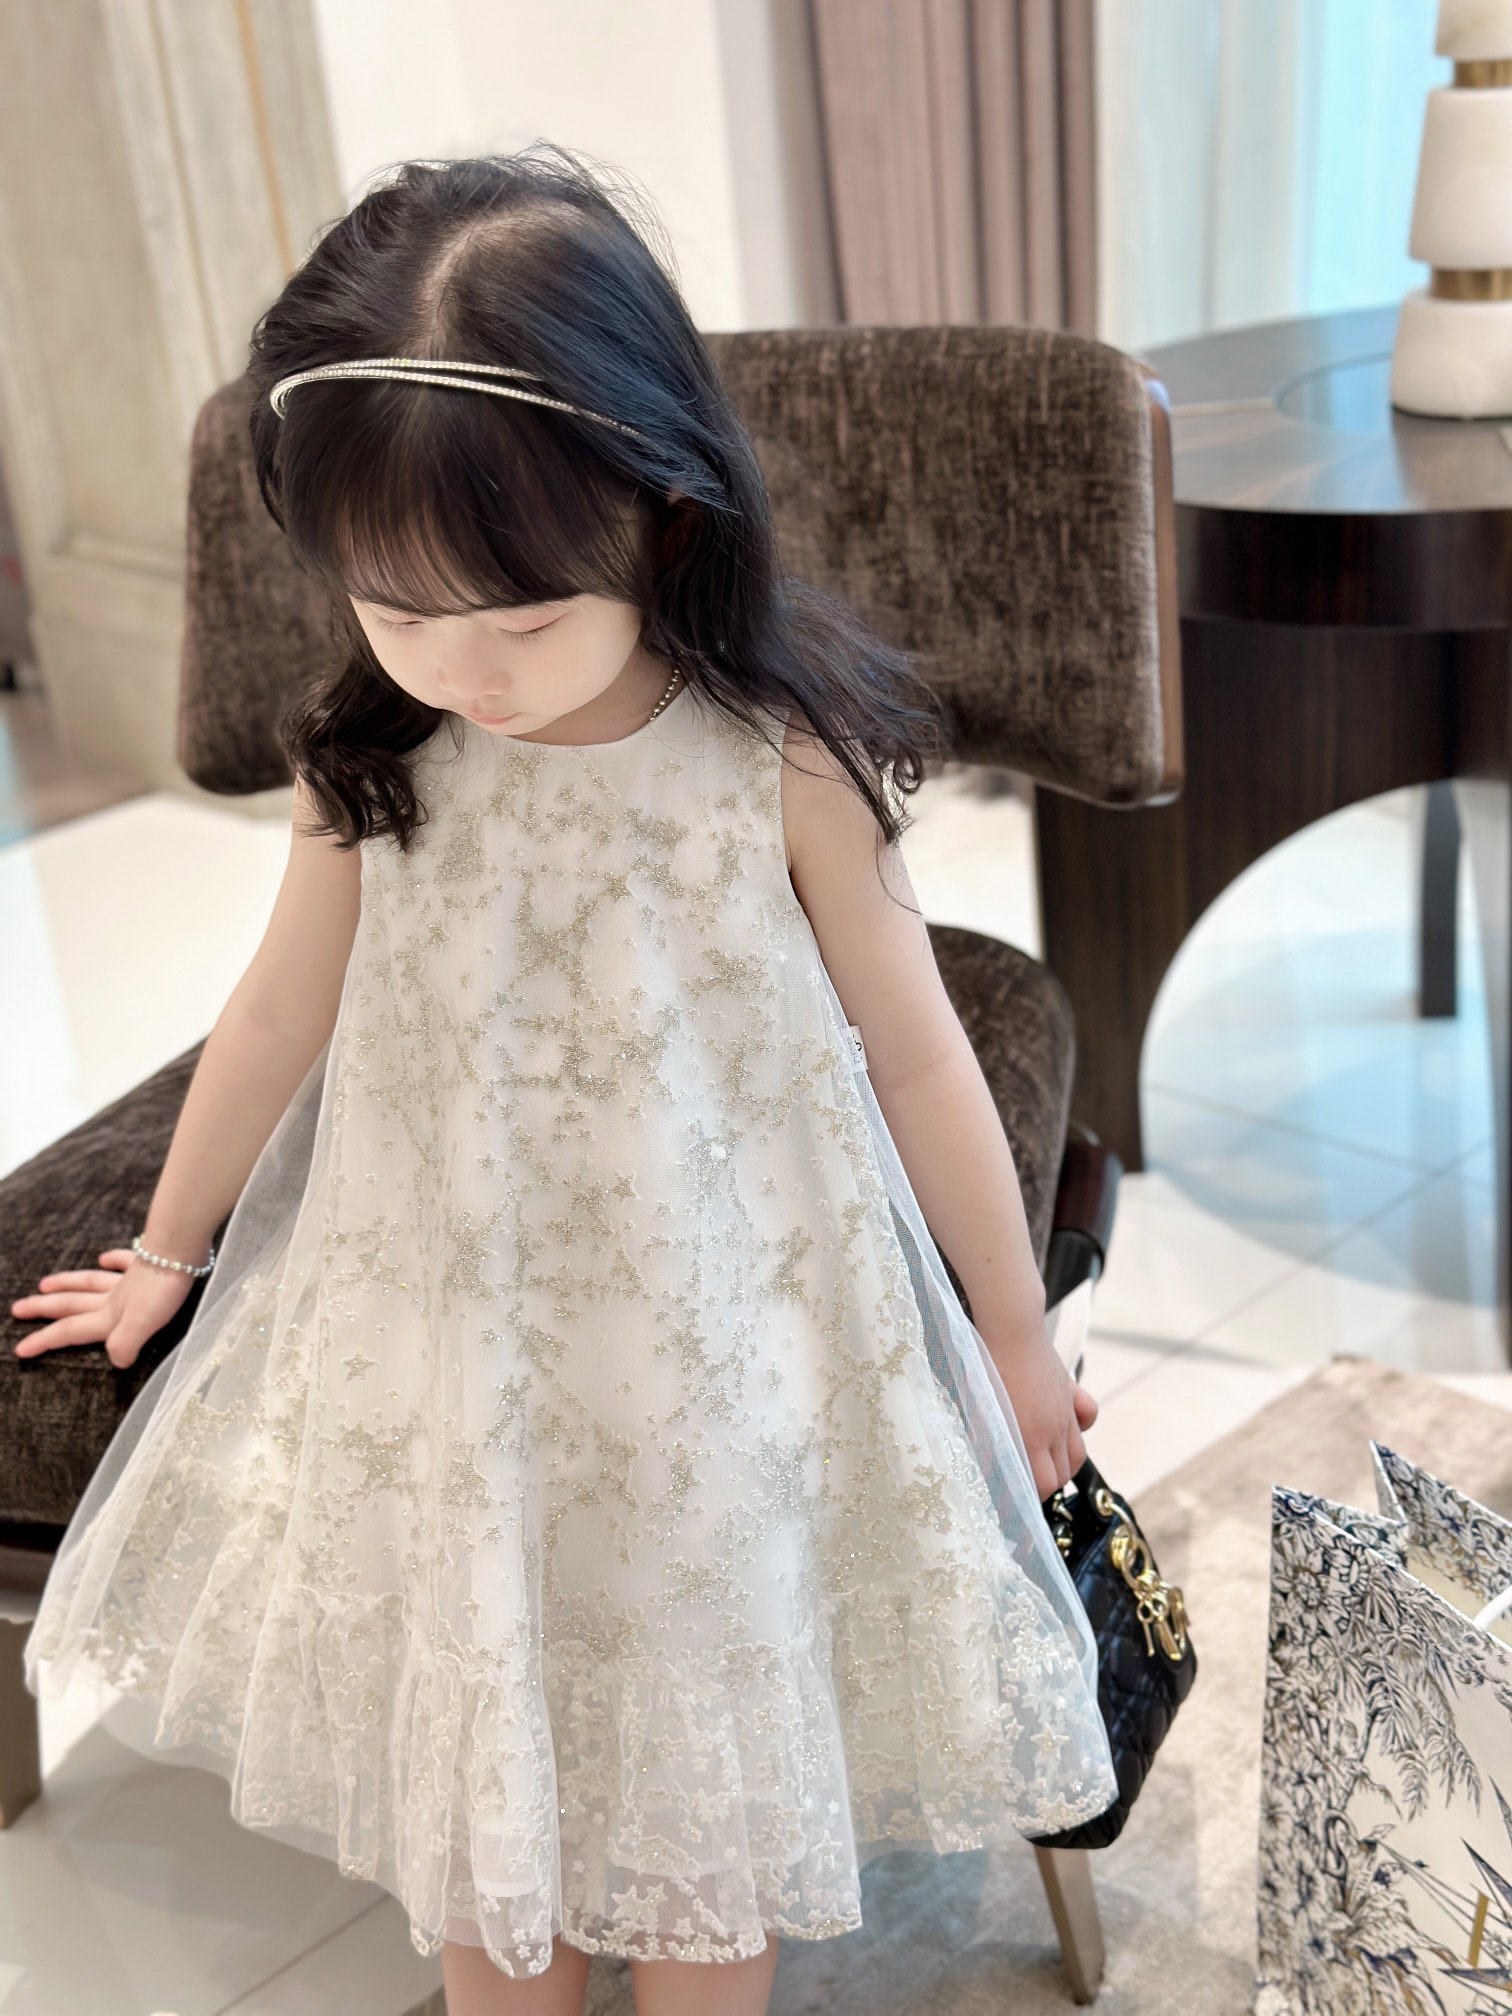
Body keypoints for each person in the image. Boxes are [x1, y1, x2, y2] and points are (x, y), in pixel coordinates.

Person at [13, 146, 1116, 2016]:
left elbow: (920, 1050)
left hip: (715, 1344)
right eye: (396, 609)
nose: (468, 674)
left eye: (519, 618)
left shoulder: (777, 756)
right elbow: (274, 1016)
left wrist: (1007, 1341)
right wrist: (174, 1254)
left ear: (664, 518)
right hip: (451, 1335)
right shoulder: (381, 761)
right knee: (484, 1790)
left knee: (700, 1803)